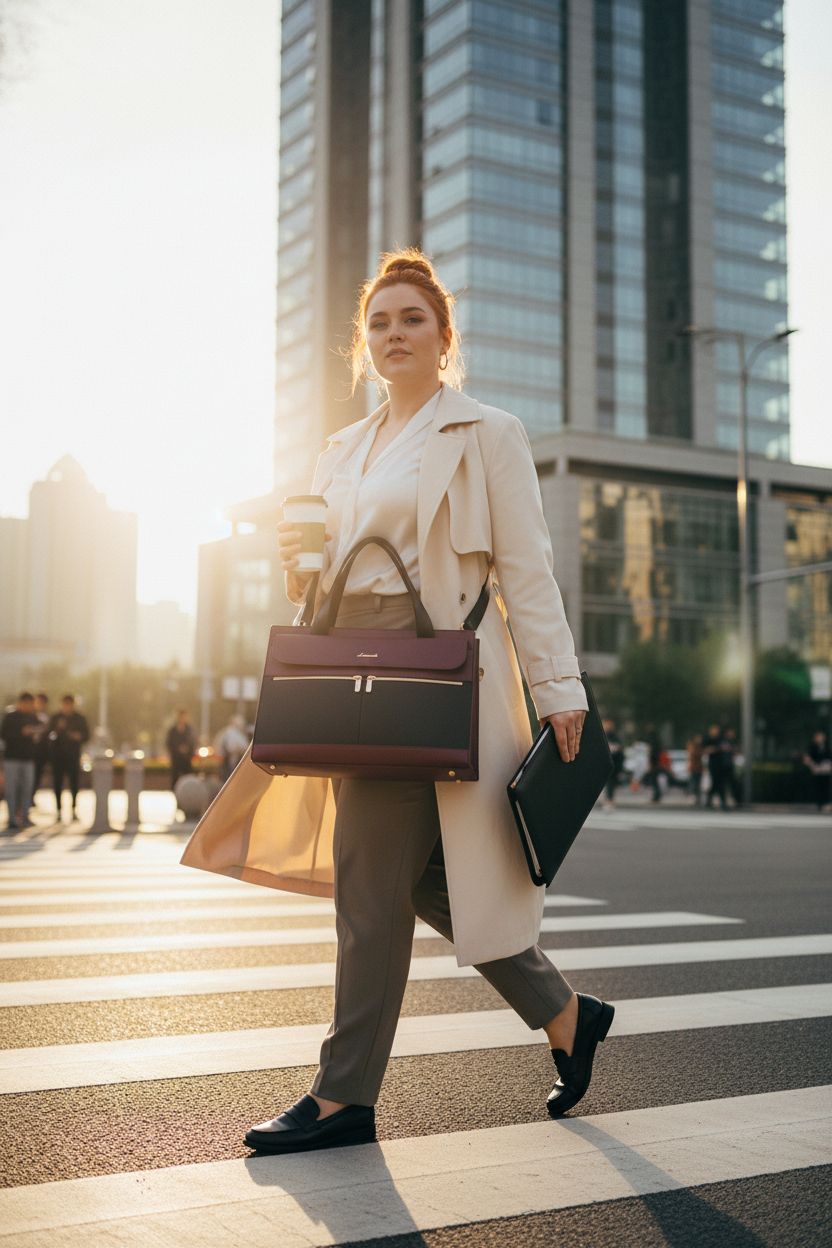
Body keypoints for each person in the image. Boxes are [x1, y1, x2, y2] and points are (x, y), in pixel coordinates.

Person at [235, 247, 613, 1155]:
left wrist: (560, 688)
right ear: (362, 347)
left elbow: (527, 571)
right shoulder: (339, 448)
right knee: (426, 880)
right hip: (352, 674)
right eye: (378, 322)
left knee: (372, 885)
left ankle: (342, 1097)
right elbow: (320, 572)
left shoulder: (487, 433)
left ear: (444, 339)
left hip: (438, 676)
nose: (394, 334)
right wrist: (301, 568)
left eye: (412, 319)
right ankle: (565, 1015)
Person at [48, 694, 90, 822]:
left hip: (73, 755)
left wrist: (78, 736)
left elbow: (86, 735)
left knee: (74, 783)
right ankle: (59, 810)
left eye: (69, 704)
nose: (67, 707)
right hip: (58, 756)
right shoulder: (56, 717)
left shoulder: (80, 718)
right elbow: (49, 735)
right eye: (65, 704)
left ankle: (73, 808)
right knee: (57, 783)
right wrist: (58, 729)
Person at [1, 692, 39, 830]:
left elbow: (42, 730)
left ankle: (25, 816)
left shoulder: (33, 716)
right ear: (22, 702)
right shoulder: (10, 716)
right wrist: (21, 732)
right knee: (11, 789)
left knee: (27, 788)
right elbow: (4, 735)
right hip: (12, 758)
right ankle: (12, 818)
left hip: (28, 758)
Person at [166, 708, 196, 796]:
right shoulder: (172, 730)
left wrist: (187, 749)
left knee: (188, 779)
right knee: (175, 780)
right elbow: (169, 743)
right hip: (176, 759)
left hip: (186, 760)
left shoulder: (189, 730)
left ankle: (187, 797)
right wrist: (178, 749)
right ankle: (176, 798)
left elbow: (193, 743)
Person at [214, 714, 249, 784]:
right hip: (228, 760)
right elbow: (232, 748)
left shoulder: (230, 732)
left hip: (229, 760)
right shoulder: (230, 732)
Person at [703, 723, 730, 811]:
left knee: (719, 784)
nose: (715, 731)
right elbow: (705, 750)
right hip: (713, 765)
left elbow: (727, 747)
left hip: (722, 765)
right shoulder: (708, 739)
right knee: (716, 783)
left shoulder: (721, 739)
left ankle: (712, 801)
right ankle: (720, 803)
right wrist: (715, 749)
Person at [803, 730, 832, 812]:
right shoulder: (811, 747)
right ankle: (820, 804)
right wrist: (814, 767)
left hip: (825, 771)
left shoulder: (826, 747)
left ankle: (826, 804)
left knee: (826, 787)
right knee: (818, 787)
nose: (820, 738)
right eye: (818, 737)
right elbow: (807, 758)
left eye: (821, 737)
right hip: (816, 771)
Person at [601, 717, 624, 808]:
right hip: (608, 763)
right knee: (609, 784)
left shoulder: (612, 736)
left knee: (611, 784)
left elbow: (619, 750)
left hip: (613, 764)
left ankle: (609, 801)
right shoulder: (604, 735)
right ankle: (608, 800)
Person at [32, 693, 51, 798]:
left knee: (37, 775)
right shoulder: (30, 715)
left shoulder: (48, 717)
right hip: (28, 752)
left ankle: (31, 796)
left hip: (41, 752)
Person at [686, 732, 704, 806]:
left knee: (698, 783)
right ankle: (692, 797)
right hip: (694, 767)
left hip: (699, 767)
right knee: (693, 783)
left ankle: (697, 798)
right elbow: (693, 754)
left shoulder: (699, 746)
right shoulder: (693, 746)